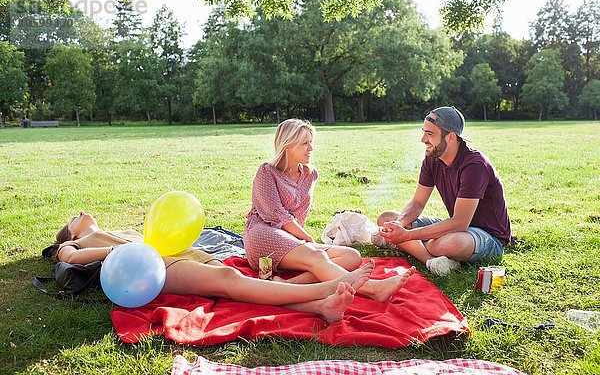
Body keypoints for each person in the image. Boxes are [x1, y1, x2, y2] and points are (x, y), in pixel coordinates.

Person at [52, 211, 376, 324]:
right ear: (72, 232)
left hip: (181, 254)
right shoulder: (79, 242)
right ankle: (322, 288)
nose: (80, 212)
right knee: (229, 279)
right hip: (150, 268)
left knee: (236, 290)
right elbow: (66, 258)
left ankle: (320, 306)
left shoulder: (123, 229)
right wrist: (121, 249)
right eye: (73, 218)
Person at [243, 119, 415, 301]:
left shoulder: (309, 175)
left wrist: (303, 242)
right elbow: (277, 216)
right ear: (287, 145)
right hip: (263, 234)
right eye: (305, 143)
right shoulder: (267, 172)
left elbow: (300, 215)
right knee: (317, 256)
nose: (311, 148)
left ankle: (287, 286)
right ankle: (372, 289)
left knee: (351, 256)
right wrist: (307, 239)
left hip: (292, 241)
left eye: (311, 142)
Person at [377, 106, 511, 276]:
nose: (423, 139)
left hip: (488, 237)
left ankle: (412, 246)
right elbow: (418, 202)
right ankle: (432, 261)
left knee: (449, 244)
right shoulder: (432, 159)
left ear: (450, 137)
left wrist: (406, 236)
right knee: (386, 219)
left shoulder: (475, 165)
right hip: (458, 228)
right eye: (424, 132)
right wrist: (400, 224)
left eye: (430, 134)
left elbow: (459, 222)